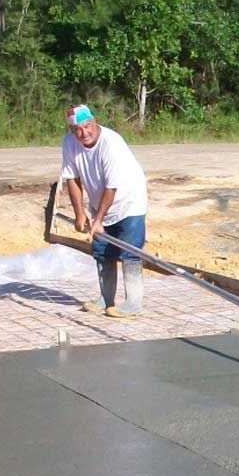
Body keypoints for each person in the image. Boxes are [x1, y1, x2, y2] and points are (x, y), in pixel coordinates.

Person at [61, 104, 148, 317]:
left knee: (130, 252)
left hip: (129, 201)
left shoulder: (111, 143)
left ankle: (133, 304)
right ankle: (106, 299)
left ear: (95, 121)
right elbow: (72, 178)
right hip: (100, 203)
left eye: (87, 126)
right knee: (101, 251)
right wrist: (80, 214)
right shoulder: (70, 143)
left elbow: (112, 187)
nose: (84, 133)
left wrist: (98, 219)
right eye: (77, 130)